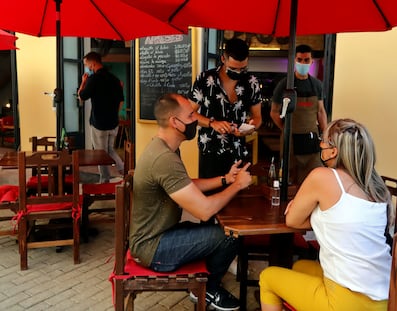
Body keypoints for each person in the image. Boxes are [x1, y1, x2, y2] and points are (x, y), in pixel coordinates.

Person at [129, 93, 252, 311]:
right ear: (174, 122)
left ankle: (205, 285)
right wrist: (238, 186)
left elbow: (185, 184)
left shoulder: (165, 148)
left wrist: (225, 179)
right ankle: (208, 289)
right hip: (154, 248)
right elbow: (204, 210)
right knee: (231, 234)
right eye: (191, 115)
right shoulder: (164, 159)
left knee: (216, 228)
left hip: (159, 236)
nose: (196, 119)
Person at [259, 118, 393, 311]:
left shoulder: (322, 177)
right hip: (383, 299)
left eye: (322, 140)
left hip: (345, 303)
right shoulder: (374, 187)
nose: (319, 144)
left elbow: (292, 220)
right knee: (300, 268)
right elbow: (341, 221)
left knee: (268, 278)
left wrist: (301, 207)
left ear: (333, 151)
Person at [189, 38, 262, 178]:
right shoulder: (205, 79)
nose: (239, 73)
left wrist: (250, 128)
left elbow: (257, 118)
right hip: (210, 151)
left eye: (243, 69)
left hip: (238, 152)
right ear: (223, 58)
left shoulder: (251, 83)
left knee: (239, 197)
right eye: (234, 69)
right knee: (210, 196)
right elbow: (189, 112)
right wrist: (212, 123)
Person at [270, 44, 328, 185]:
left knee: (314, 178)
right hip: (290, 141)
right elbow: (274, 112)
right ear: (294, 60)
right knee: (289, 179)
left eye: (306, 60)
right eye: (300, 59)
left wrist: (326, 134)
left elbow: (320, 111)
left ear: (311, 61)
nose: (303, 63)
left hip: (311, 139)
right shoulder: (284, 85)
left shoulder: (317, 85)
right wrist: (285, 128)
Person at [78, 51, 124, 183]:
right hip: (113, 123)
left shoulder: (93, 80)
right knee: (109, 149)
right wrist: (114, 114)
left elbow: (81, 97)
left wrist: (83, 82)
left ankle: (104, 180)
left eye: (87, 64)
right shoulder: (115, 80)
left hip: (99, 123)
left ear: (93, 64)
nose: (87, 67)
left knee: (100, 153)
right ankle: (124, 170)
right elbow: (121, 100)